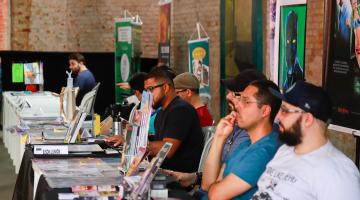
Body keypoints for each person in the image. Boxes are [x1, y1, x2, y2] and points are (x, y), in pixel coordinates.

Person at [252, 81, 360, 200]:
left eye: (285, 110)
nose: (278, 117)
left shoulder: (338, 173)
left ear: (307, 119)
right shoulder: (285, 150)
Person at [164, 69, 267, 188]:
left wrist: (219, 137)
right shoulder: (234, 127)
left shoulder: (254, 140)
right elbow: (215, 175)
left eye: (236, 94)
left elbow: (212, 187)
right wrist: (193, 177)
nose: (228, 96)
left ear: (264, 109)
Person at [106, 67, 204, 173]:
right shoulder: (163, 111)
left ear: (166, 88)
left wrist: (133, 143)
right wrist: (128, 139)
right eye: (145, 90)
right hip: (160, 169)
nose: (147, 95)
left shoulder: (181, 110)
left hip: (176, 175)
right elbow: (156, 140)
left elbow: (167, 148)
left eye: (150, 89)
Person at [201, 80, 282, 200]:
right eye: (240, 100)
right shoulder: (246, 144)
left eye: (246, 101)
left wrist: (218, 183)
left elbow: (215, 195)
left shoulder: (265, 150)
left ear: (265, 111)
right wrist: (219, 137)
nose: (237, 105)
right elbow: (207, 185)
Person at [283, 11, 304, 90]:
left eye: (294, 42)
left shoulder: (300, 76)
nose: (290, 48)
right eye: (288, 42)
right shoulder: (286, 82)